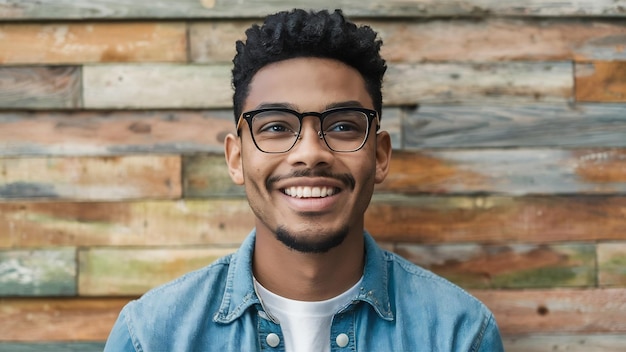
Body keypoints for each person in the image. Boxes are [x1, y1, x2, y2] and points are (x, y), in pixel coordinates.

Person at [104, 9, 504, 351]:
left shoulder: (460, 334)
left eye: (344, 125)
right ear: (237, 157)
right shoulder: (152, 337)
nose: (310, 153)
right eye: (276, 127)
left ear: (380, 155)